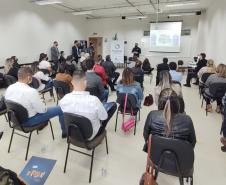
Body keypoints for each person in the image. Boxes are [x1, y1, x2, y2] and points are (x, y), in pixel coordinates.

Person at [4, 67, 66, 138]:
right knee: (61, 109)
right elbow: (43, 110)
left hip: (15, 121)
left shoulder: (9, 88)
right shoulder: (31, 91)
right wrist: (40, 101)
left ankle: (42, 125)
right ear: (28, 77)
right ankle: (65, 133)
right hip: (28, 121)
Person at [59, 71, 117, 140]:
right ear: (85, 82)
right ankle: (100, 131)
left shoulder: (63, 100)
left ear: (71, 82)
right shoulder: (94, 100)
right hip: (90, 135)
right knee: (113, 106)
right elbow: (104, 117)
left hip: (72, 134)